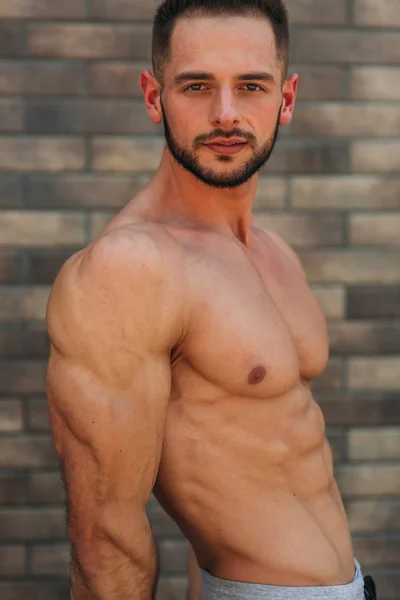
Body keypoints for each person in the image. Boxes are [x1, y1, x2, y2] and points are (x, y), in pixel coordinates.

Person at [45, 1, 378, 599]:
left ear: (287, 98)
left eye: (251, 86)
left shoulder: (273, 252)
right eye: (196, 86)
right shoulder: (133, 267)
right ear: (153, 97)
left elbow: (243, 456)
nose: (226, 114)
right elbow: (105, 537)